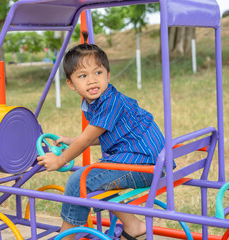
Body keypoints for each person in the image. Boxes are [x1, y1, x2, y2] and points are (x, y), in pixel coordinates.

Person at [37, 32, 169, 240]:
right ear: (71, 84)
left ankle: (67, 236)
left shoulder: (110, 102)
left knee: (78, 181)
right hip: (147, 162)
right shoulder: (100, 102)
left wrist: (60, 159)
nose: (92, 81)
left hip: (145, 165)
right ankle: (132, 225)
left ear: (107, 75)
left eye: (97, 73)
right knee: (97, 177)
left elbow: (87, 139)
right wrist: (73, 140)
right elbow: (107, 134)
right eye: (83, 76)